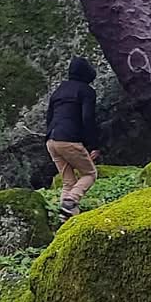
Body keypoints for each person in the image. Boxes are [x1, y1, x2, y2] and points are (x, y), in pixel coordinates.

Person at [46, 56, 101, 219]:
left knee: (68, 182)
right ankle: (71, 200)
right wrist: (93, 145)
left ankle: (67, 219)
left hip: (51, 140)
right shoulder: (86, 91)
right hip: (68, 138)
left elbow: (49, 117)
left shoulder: (59, 91)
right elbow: (88, 119)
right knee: (90, 174)